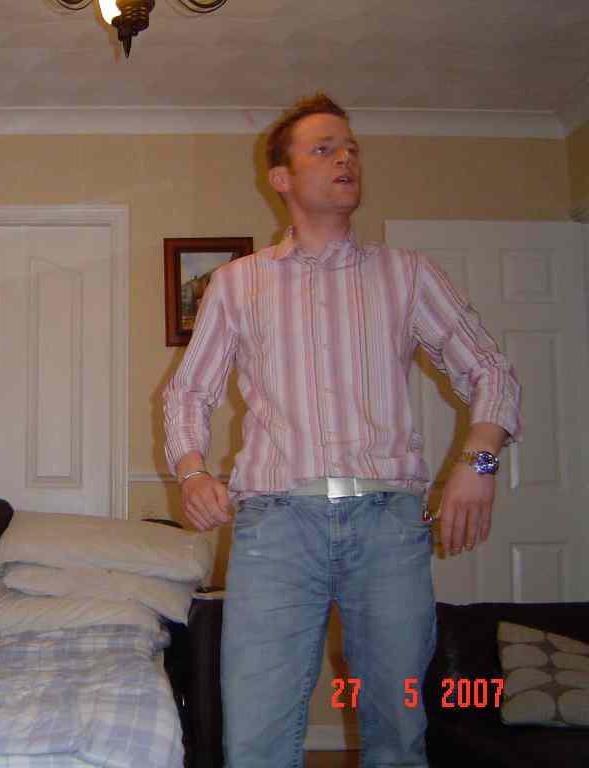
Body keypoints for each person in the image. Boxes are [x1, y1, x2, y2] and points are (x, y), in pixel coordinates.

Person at [163, 93, 522, 767]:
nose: (345, 158)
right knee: (257, 743)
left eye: (351, 147)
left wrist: (478, 463)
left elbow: (491, 370)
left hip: (389, 530)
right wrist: (191, 470)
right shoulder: (236, 285)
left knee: (398, 739)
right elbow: (188, 392)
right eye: (324, 148)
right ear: (281, 177)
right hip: (275, 531)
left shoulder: (408, 275)